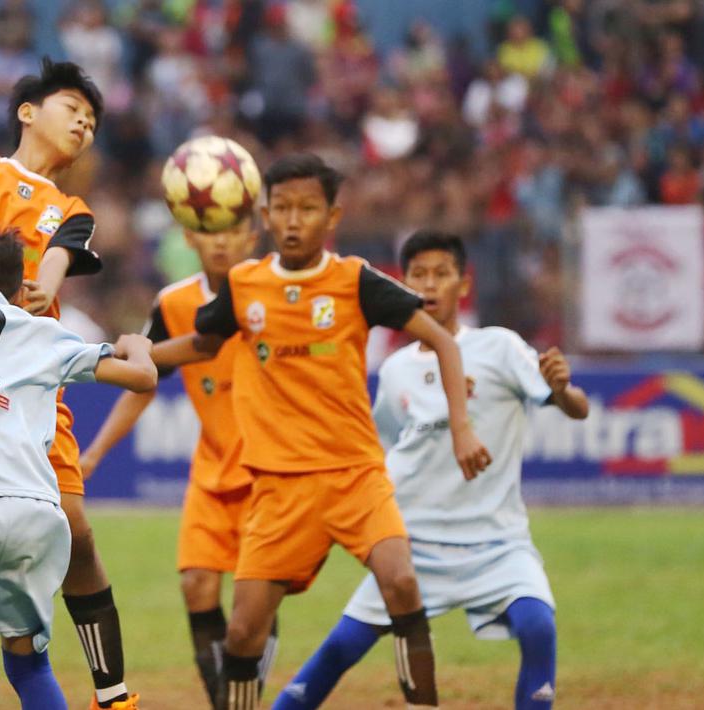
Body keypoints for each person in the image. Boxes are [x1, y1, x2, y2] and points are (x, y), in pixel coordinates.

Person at [151, 154, 492, 710]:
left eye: (307, 209)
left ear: (332, 216)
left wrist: (461, 427)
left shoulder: (354, 281)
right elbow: (201, 344)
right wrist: (137, 352)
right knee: (242, 633)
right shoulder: (245, 284)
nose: (293, 220)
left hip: (355, 476)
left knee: (401, 583)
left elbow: (446, 342)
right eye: (282, 208)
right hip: (280, 489)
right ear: (263, 214)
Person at [273, 232, 589, 710]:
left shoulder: (499, 347)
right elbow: (381, 448)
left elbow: (577, 408)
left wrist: (563, 390)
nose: (429, 283)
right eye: (418, 274)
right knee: (339, 650)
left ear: (464, 284)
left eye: (442, 273)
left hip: (497, 544)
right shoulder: (396, 369)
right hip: (413, 545)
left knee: (538, 626)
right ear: (403, 284)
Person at [0, 58, 139, 710]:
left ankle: (112, 690)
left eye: (92, 123)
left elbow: (58, 263)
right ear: (27, 111)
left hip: (31, 384)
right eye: (74, 110)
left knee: (76, 530)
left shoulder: (72, 210)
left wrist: (40, 293)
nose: (84, 126)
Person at [0, 229, 157, 710]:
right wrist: (134, 345)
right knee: (29, 665)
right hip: (33, 513)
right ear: (22, 293)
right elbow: (142, 377)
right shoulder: (46, 332)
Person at [79, 218, 278, 704]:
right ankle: (227, 701)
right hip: (212, 472)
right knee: (196, 585)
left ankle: (239, 699)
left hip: (269, 473)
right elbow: (144, 380)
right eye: (209, 230)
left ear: (252, 239)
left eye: (233, 231)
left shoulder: (269, 294)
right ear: (190, 238)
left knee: (255, 605)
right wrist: (95, 454)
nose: (221, 241)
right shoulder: (174, 304)